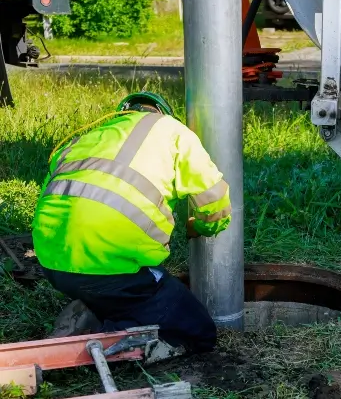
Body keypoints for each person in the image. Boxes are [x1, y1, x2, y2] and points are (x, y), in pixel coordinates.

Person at [32, 92, 232, 353]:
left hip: (52, 263)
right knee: (201, 333)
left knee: (117, 290)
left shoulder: (90, 137)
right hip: (111, 270)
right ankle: (110, 334)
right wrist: (203, 227)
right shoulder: (173, 131)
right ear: (162, 114)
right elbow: (214, 199)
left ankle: (94, 311)